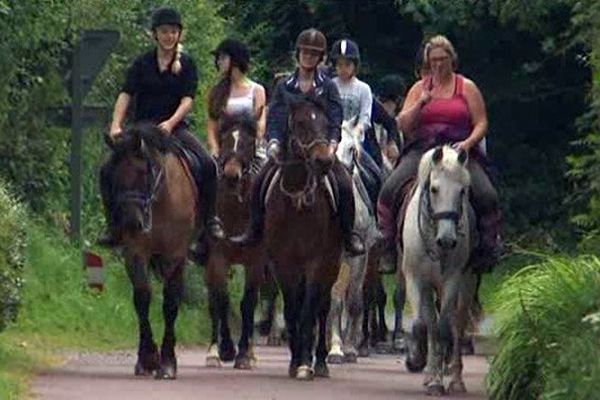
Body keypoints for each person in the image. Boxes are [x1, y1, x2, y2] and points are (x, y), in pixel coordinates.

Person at [230, 28, 365, 256]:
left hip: (320, 149)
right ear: (298, 54)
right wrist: (273, 141)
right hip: (289, 151)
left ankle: (347, 235)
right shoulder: (284, 86)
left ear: (320, 58)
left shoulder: (328, 86)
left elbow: (335, 116)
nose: (308, 57)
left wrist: (332, 144)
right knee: (260, 181)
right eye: (305, 53)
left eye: (314, 54)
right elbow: (275, 117)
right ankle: (253, 230)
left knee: (343, 183)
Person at [99, 5, 224, 247]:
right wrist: (116, 125)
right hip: (141, 129)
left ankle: (209, 222)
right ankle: (113, 226)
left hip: (173, 129)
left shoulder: (187, 64)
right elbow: (126, 94)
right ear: (155, 34)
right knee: (107, 168)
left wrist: (170, 122)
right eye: (164, 31)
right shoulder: (142, 63)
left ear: (179, 35)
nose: (169, 36)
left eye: (173, 32)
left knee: (208, 164)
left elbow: (188, 100)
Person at [377, 35, 501, 271]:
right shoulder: (418, 88)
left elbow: (481, 122)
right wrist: (420, 103)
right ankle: (388, 247)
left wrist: (468, 143)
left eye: (442, 59)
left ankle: (487, 248)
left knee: (487, 193)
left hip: (458, 150)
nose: (438, 65)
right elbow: (402, 124)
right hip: (423, 150)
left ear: (451, 60)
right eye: (433, 60)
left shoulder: (466, 87)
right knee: (389, 188)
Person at [206, 39, 267, 158]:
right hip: (224, 148)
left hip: (250, 148)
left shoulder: (257, 90)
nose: (219, 62)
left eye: (223, 58)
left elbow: (260, 122)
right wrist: (214, 148)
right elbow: (211, 126)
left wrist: (256, 141)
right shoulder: (216, 92)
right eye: (218, 59)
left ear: (235, 60)